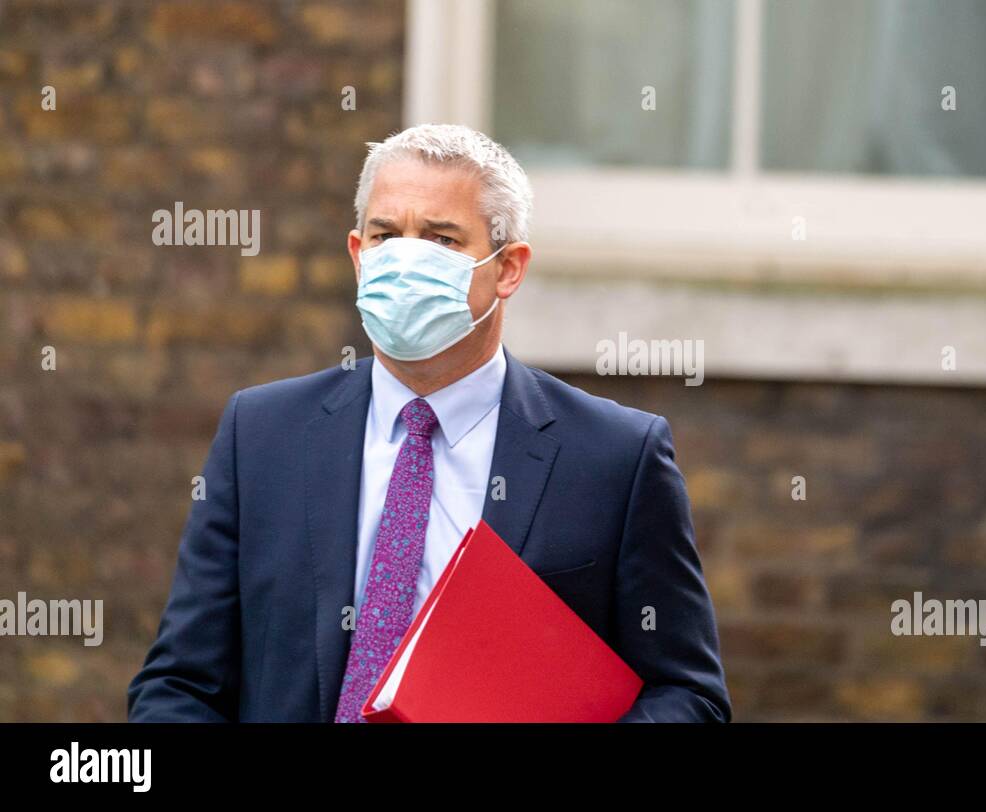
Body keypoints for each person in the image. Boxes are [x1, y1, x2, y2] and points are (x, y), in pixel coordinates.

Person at [127, 124, 731, 723]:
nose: (405, 259)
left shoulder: (615, 457)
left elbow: (688, 696)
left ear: (509, 268)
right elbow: (179, 686)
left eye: (442, 240)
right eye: (385, 235)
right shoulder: (260, 436)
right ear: (357, 255)